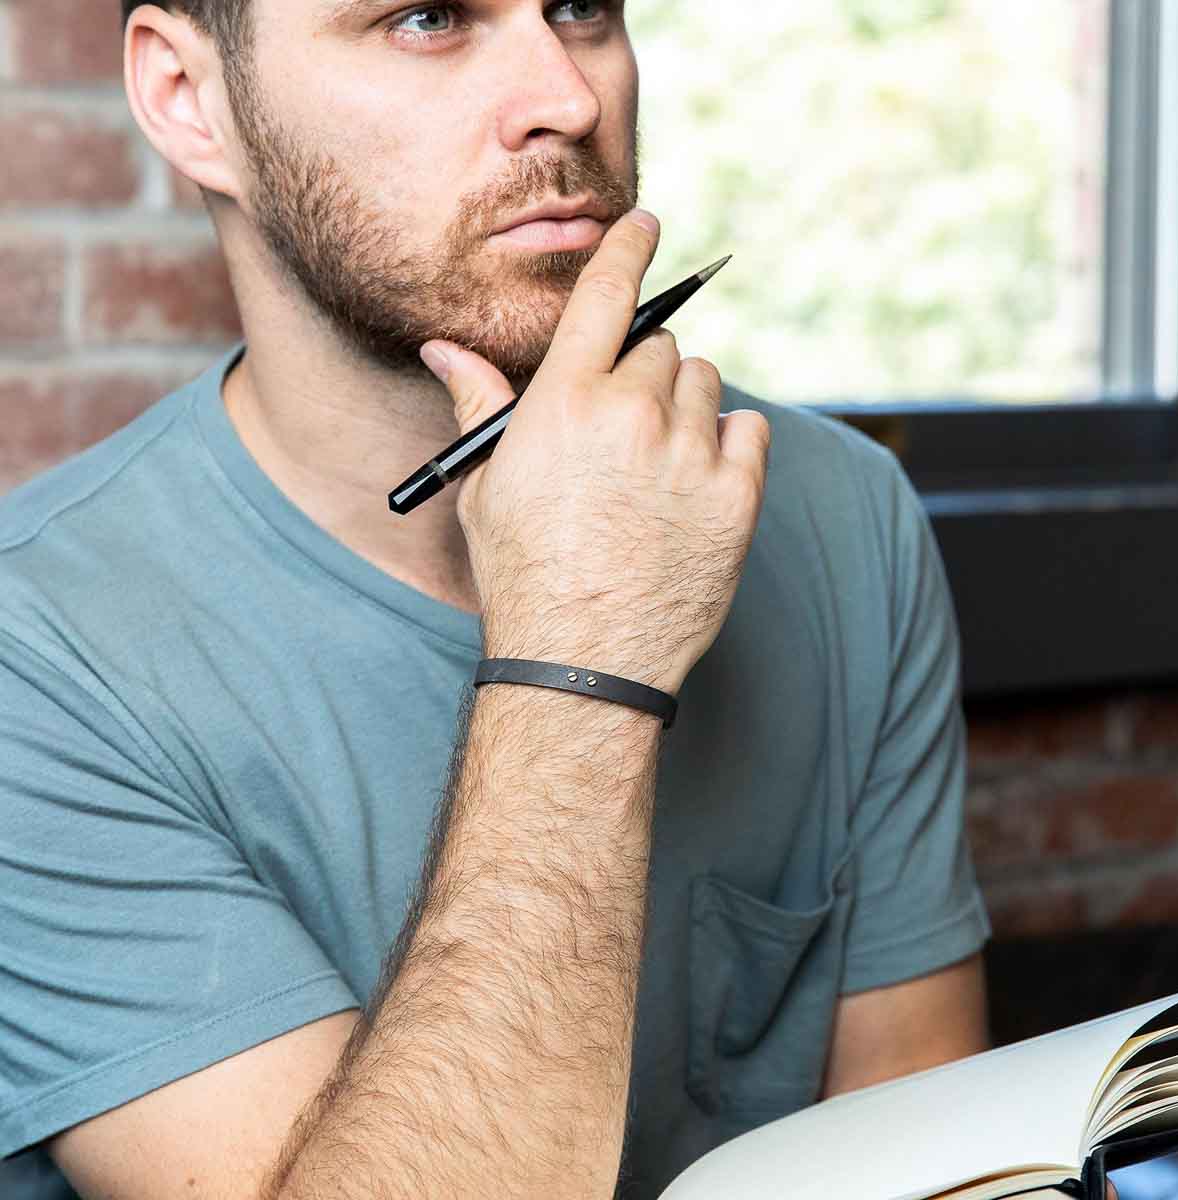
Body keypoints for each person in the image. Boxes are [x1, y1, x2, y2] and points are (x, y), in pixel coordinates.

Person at [0, 2, 991, 1197]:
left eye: (581, 7)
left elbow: (936, 1157)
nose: (567, 97)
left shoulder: (842, 513)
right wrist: (584, 650)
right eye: (428, 18)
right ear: (185, 96)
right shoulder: (38, 656)